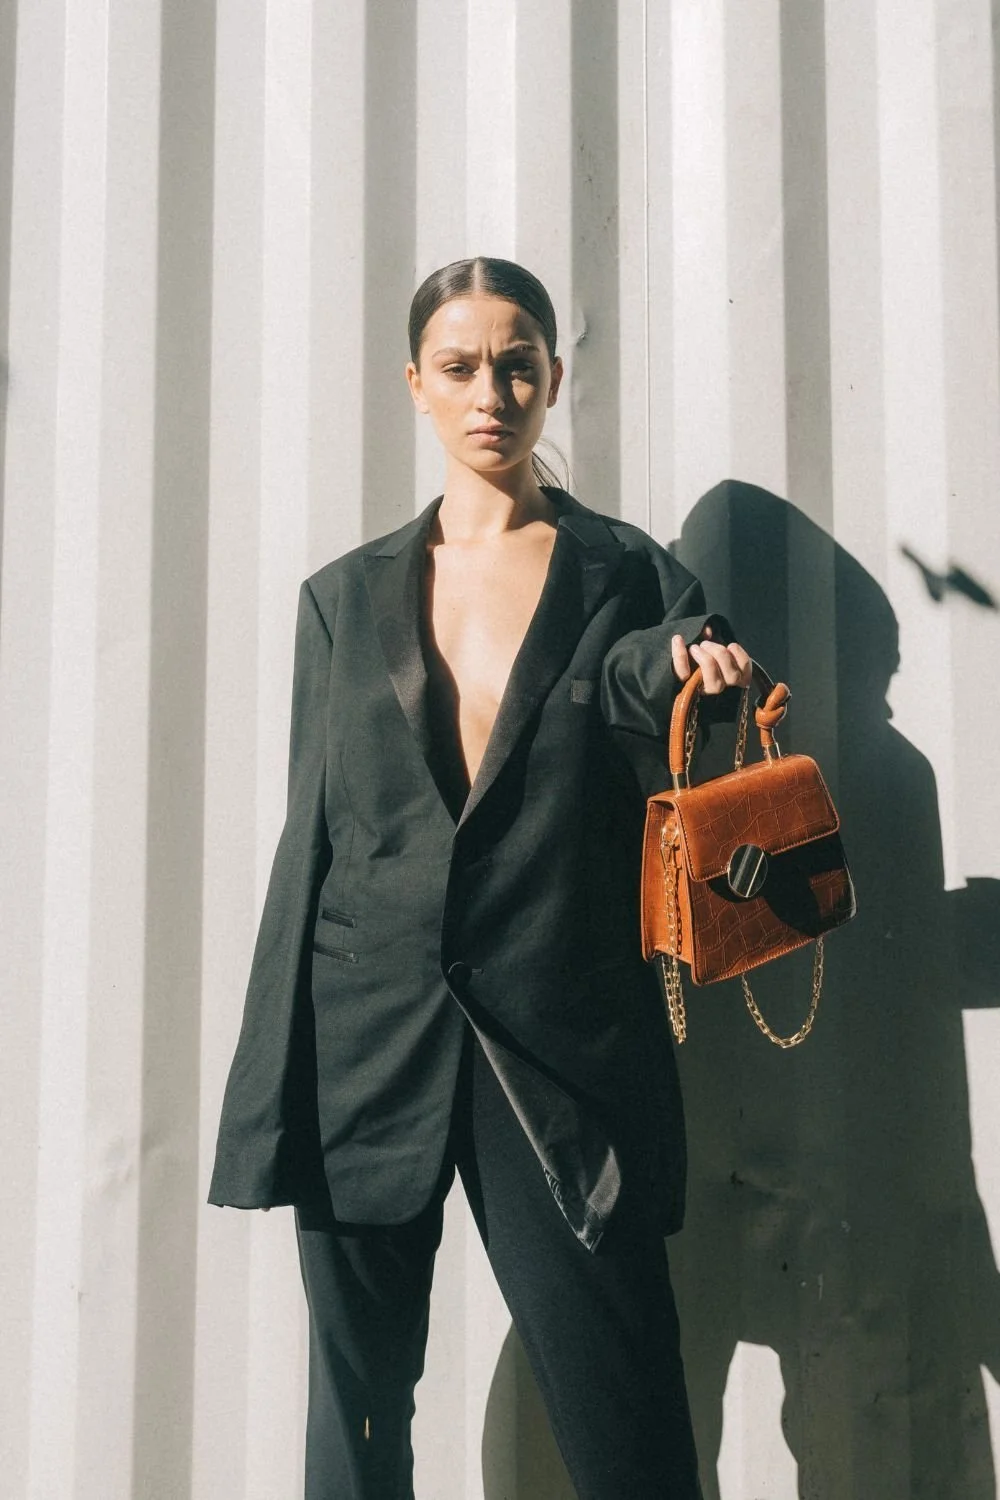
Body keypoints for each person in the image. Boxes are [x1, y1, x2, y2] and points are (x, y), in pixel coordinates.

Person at [208, 255, 752, 1500]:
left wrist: (693, 669)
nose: (490, 394)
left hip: (556, 1049)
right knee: (354, 1421)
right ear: (416, 383)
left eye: (516, 366)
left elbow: (647, 690)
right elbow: (313, 838)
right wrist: (273, 1084)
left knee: (623, 1412)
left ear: (552, 376)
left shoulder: (628, 578)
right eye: (459, 368)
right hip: (365, 1043)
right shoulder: (343, 598)